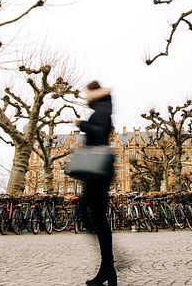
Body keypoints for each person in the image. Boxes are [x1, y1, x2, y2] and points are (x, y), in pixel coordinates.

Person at [75, 80, 116, 286]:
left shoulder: (102, 110)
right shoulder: (103, 108)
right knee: (96, 218)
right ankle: (108, 268)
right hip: (97, 170)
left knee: (91, 216)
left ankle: (109, 266)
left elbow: (99, 133)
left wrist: (81, 124)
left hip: (97, 170)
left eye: (87, 93)